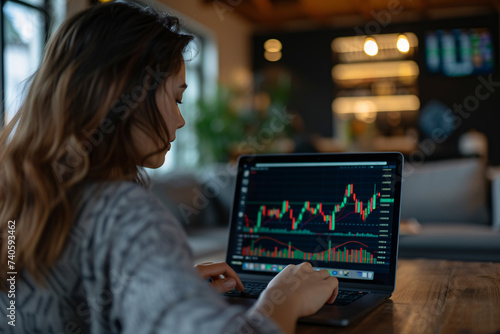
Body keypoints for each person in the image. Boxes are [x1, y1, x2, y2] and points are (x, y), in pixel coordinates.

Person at [0, 2, 338, 333]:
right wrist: (283, 298)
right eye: (176, 98)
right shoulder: (125, 213)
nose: (180, 120)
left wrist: (160, 284)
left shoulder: (15, 197)